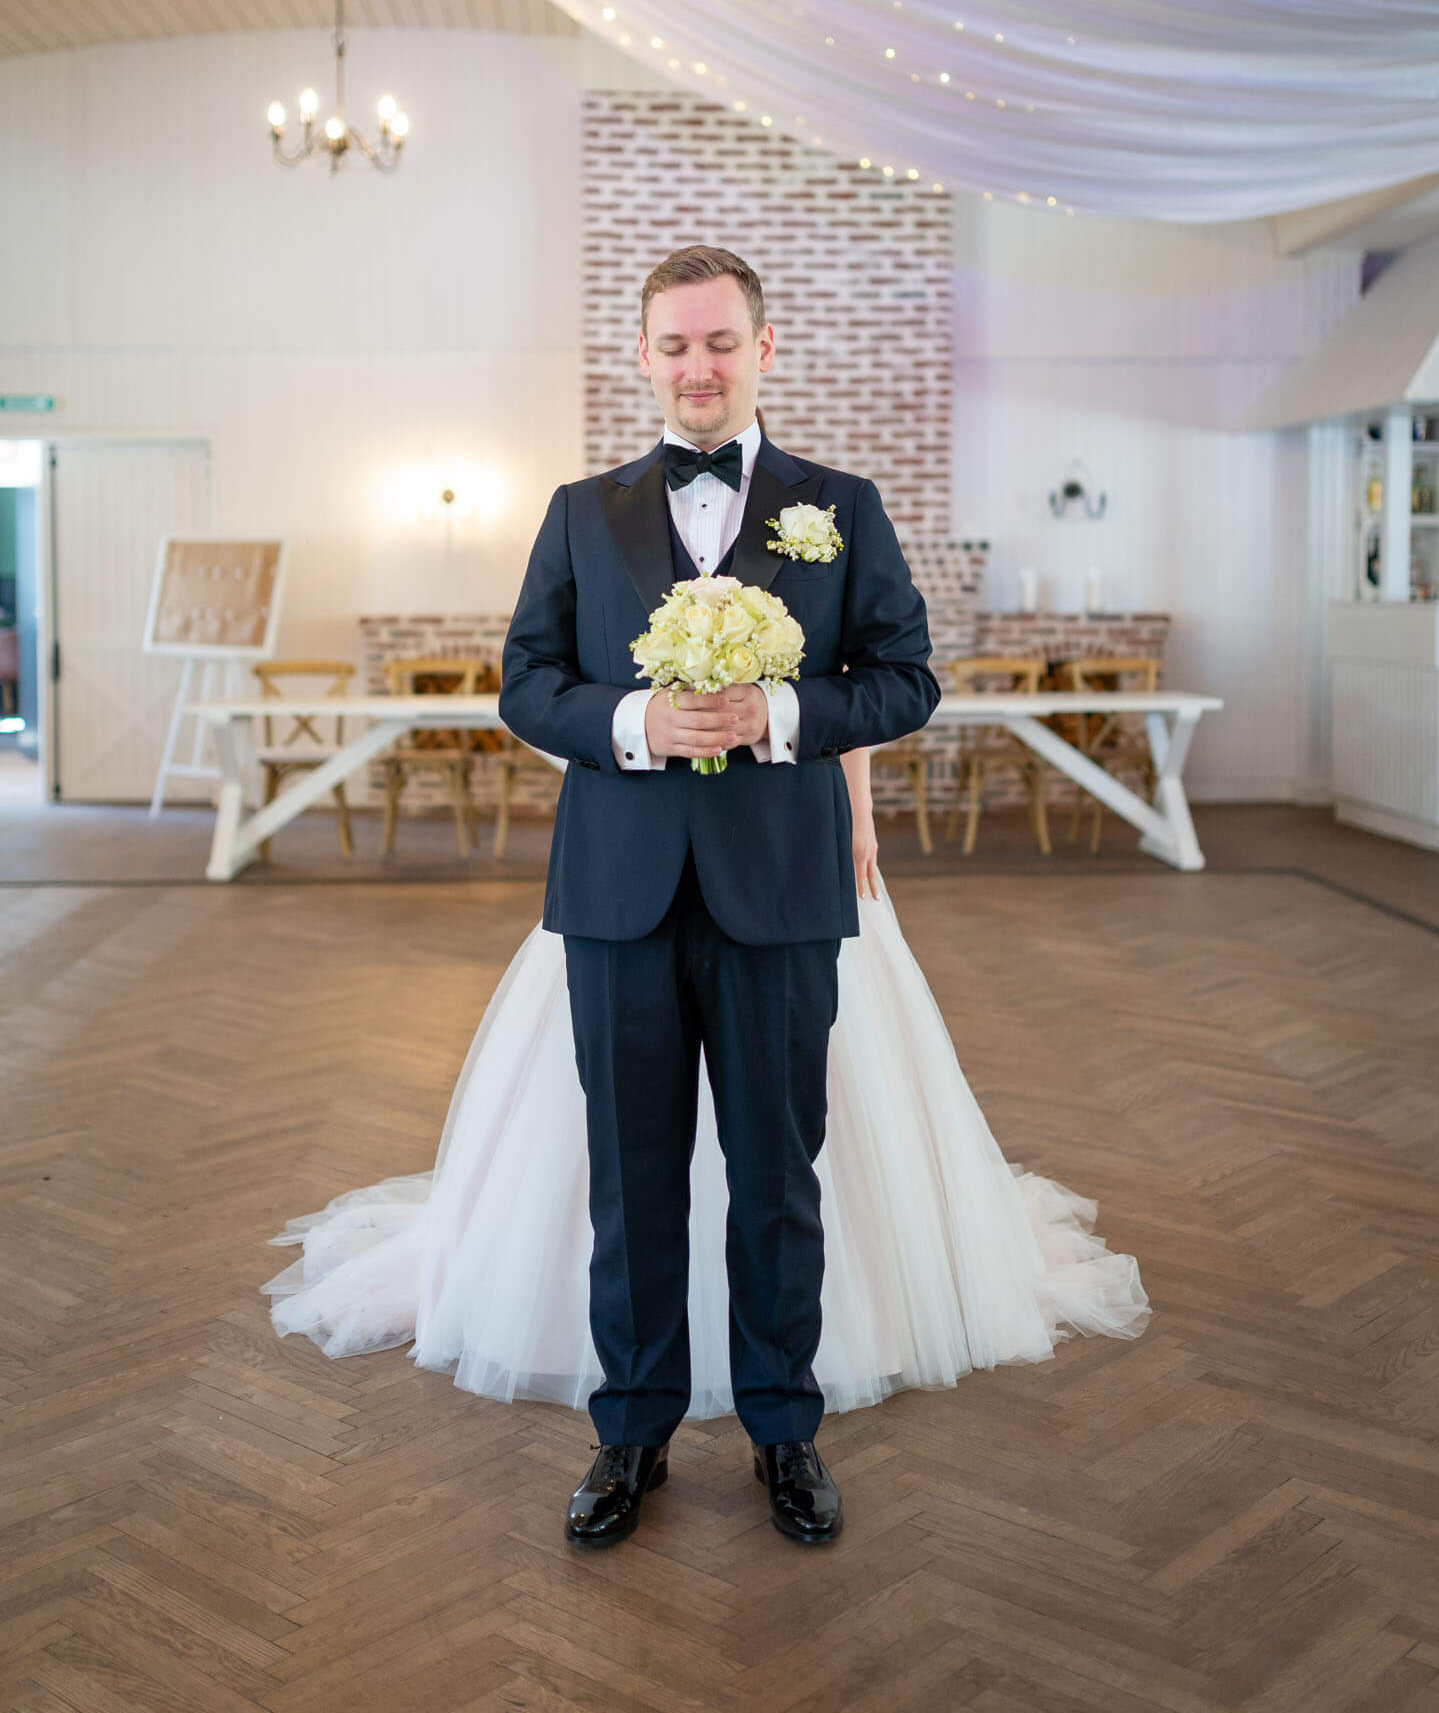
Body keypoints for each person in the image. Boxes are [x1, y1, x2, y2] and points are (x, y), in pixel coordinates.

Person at [265, 244, 1152, 1552]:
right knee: (630, 1181)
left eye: (721, 343)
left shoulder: (837, 506)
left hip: (780, 893)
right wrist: (631, 722)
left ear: (764, 347)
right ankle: (630, 1435)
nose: (698, 368)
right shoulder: (581, 510)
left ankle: (788, 1436)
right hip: (617, 894)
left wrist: (785, 711)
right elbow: (526, 684)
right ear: (644, 356)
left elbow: (907, 677)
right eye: (675, 346)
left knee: (776, 1175)